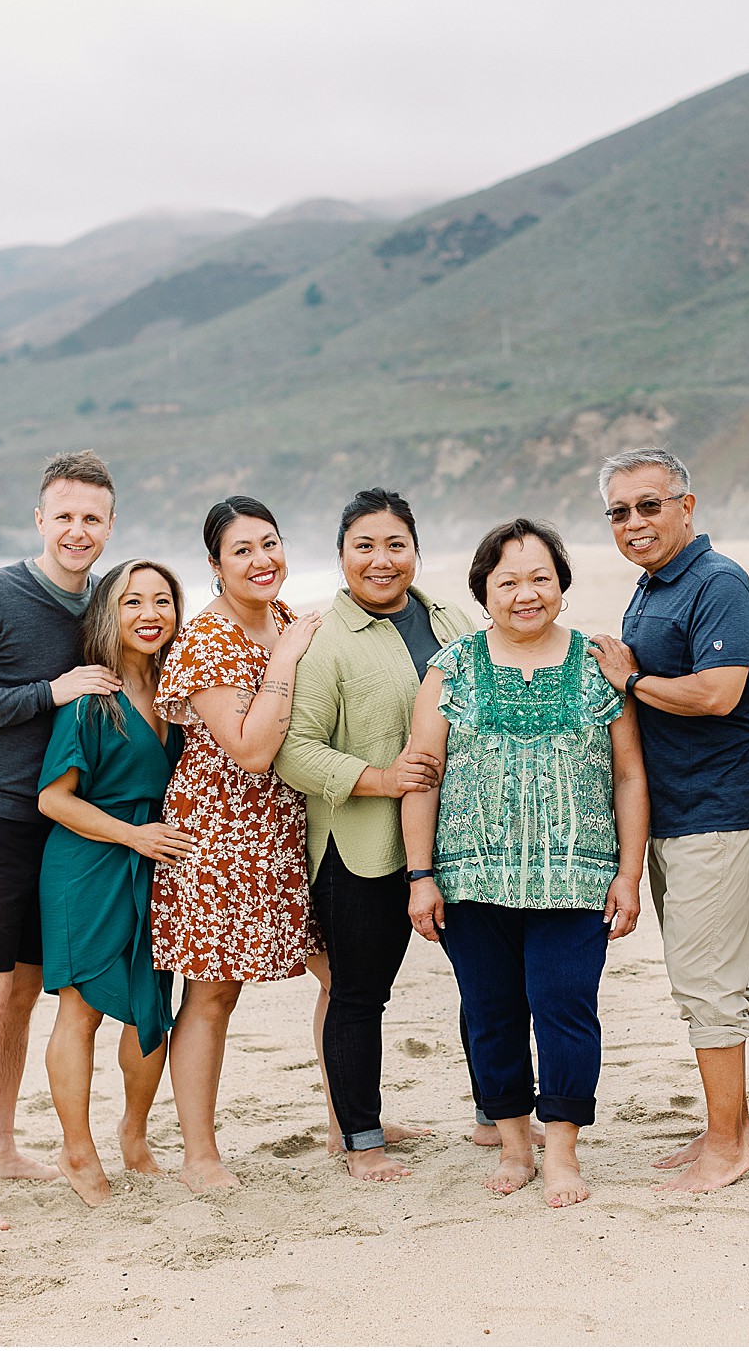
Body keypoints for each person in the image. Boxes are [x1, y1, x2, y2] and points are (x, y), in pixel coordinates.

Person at [401, 519, 648, 1207]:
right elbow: (422, 774)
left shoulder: (599, 664)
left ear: (562, 586)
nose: (525, 593)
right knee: (491, 1012)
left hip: (577, 876)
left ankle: (562, 1149)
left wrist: (628, 873)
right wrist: (421, 876)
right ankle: (513, 1145)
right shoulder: (451, 668)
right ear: (484, 591)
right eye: (507, 581)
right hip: (472, 880)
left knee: (566, 1007)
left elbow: (629, 775)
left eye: (540, 577)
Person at [0, 449, 121, 1233]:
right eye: (64, 516)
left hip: (63, 826)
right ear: (41, 520)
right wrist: (50, 692)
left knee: (23, 998)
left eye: (92, 518)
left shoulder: (104, 603)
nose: (77, 530)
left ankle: (1, 1145)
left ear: (110, 526)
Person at [586, 448, 749, 1194]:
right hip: (674, 812)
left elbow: (720, 692)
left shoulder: (718, 581)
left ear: (687, 507)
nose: (634, 523)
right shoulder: (653, 586)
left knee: (708, 985)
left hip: (720, 812)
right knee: (699, 979)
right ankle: (727, 1125)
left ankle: (729, 1145)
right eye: (620, 511)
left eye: (649, 506)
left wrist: (630, 678)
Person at [275, 488, 473, 1182]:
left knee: (485, 982)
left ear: (415, 550)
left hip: (464, 836)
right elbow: (294, 752)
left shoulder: (452, 617)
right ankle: (359, 1137)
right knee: (361, 994)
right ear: (340, 557)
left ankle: (495, 1116)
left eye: (396, 545)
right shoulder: (326, 640)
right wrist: (383, 779)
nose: (382, 560)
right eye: (365, 546)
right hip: (360, 850)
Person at [150, 497, 323, 1191]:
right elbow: (250, 749)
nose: (262, 560)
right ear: (216, 566)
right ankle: (199, 1156)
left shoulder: (287, 619)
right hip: (219, 835)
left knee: (340, 976)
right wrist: (285, 658)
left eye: (270, 543)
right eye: (242, 550)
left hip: (287, 831)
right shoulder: (206, 641)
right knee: (214, 995)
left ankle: (352, 1122)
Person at [36, 559, 191, 1207]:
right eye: (133, 602)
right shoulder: (91, 698)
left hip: (157, 863)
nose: (150, 613)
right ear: (109, 615)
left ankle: (134, 1136)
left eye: (162, 600)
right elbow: (53, 799)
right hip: (90, 862)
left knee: (151, 1004)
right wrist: (132, 836)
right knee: (82, 1009)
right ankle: (77, 1149)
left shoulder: (179, 692)